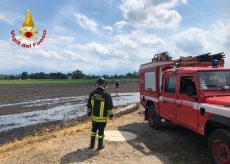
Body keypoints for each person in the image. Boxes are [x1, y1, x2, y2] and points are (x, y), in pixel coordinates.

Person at [87, 77, 113, 150]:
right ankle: (99, 146)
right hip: (102, 119)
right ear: (104, 84)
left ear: (97, 84)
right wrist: (111, 115)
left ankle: (91, 145)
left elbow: (89, 105)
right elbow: (109, 107)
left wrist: (89, 113)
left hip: (94, 118)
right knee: (101, 132)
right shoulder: (107, 95)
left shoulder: (92, 94)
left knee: (93, 131)